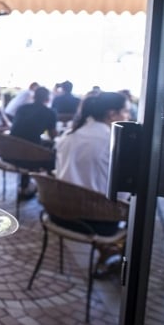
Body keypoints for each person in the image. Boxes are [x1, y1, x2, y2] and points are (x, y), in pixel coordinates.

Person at [55, 92, 130, 276]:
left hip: (59, 213)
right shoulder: (112, 142)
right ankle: (118, 259)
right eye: (126, 112)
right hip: (93, 223)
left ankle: (109, 252)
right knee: (139, 214)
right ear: (112, 114)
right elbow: (122, 196)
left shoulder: (69, 135)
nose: (128, 116)